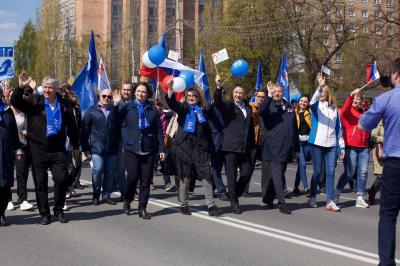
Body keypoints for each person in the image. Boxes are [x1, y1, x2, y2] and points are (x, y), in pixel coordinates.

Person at [11, 73, 79, 225]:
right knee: (40, 183)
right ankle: (44, 213)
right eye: (45, 87)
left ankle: (58, 209)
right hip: (38, 149)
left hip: (57, 149)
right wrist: (21, 86)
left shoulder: (64, 104)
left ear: (56, 89)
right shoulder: (35, 101)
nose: (47, 90)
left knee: (61, 179)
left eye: (51, 87)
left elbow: (73, 127)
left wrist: (75, 146)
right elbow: (15, 101)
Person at [357, 58, 400, 266]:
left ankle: (387, 262)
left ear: (395, 75)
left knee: (389, 215)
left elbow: (363, 126)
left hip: (394, 164)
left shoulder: (386, 99)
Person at [165, 84, 221, 216]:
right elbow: (172, 103)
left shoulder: (205, 111)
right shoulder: (184, 109)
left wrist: (217, 88)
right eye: (189, 96)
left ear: (199, 98)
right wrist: (170, 89)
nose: (191, 98)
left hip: (201, 149)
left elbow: (217, 104)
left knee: (206, 176)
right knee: (186, 177)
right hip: (184, 148)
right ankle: (184, 205)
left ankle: (211, 205)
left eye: (194, 96)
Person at [115, 82, 165, 219]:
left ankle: (142, 207)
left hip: (148, 149)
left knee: (146, 180)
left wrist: (162, 148)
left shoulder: (152, 110)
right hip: (131, 147)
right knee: (132, 177)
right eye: (138, 91)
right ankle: (127, 199)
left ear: (147, 94)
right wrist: (115, 106)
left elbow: (158, 131)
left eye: (143, 92)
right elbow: (115, 122)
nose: (140, 94)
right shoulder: (127, 107)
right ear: (134, 93)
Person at [214, 75, 255, 214]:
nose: (238, 95)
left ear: (244, 95)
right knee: (231, 177)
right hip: (230, 147)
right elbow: (218, 102)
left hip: (245, 148)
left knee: (247, 173)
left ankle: (234, 193)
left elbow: (250, 129)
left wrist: (253, 146)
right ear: (233, 94)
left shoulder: (248, 108)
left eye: (240, 93)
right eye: (236, 92)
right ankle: (234, 202)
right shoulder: (228, 106)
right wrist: (218, 87)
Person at [259, 83, 298, 214]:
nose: (277, 93)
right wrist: (268, 96)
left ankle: (268, 198)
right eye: (275, 91)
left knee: (279, 174)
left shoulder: (289, 107)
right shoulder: (268, 105)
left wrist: (295, 149)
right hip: (273, 147)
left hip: (286, 148)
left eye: (279, 91)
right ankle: (282, 202)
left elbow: (294, 129)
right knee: (277, 176)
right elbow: (262, 111)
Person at [308, 73, 345, 211]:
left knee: (330, 172)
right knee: (317, 172)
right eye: (321, 91)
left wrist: (341, 146)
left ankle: (330, 201)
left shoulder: (335, 109)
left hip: (331, 145)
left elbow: (338, 129)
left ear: (328, 93)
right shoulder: (316, 106)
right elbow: (312, 101)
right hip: (317, 143)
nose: (322, 93)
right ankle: (312, 196)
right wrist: (320, 85)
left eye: (324, 90)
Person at [81, 89, 119, 206]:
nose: (106, 98)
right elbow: (84, 130)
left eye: (109, 97)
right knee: (98, 170)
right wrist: (85, 148)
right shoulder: (92, 110)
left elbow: (120, 128)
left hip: (112, 147)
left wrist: (117, 106)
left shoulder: (115, 110)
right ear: (99, 97)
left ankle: (106, 195)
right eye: (104, 96)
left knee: (109, 172)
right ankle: (96, 193)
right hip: (97, 147)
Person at [335, 88, 370, 208]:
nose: (355, 100)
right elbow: (344, 109)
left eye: (357, 99)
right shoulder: (347, 112)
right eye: (354, 98)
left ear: (361, 101)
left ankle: (359, 197)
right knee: (350, 173)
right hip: (351, 147)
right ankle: (337, 192)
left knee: (363, 172)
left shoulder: (365, 113)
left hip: (364, 147)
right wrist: (350, 95)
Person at [9, 88, 34, 211]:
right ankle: (8, 199)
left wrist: (27, 132)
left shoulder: (24, 112)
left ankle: (22, 198)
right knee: (7, 174)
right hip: (8, 147)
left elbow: (29, 128)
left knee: (22, 173)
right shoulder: (6, 112)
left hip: (22, 146)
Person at [0, 87, 21, 226]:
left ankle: (1, 213)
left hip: (5, 153)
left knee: (4, 185)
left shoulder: (7, 111)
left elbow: (14, 132)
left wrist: (18, 150)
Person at [243, 89, 266, 197]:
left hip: (265, 142)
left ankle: (267, 191)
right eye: (259, 97)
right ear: (256, 97)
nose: (261, 99)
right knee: (249, 167)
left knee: (268, 168)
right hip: (254, 141)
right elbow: (251, 112)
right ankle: (244, 189)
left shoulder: (267, 108)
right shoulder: (252, 106)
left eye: (263, 97)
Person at [292, 94, 312, 196]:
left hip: (308, 142)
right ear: (298, 102)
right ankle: (306, 187)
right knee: (303, 164)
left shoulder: (310, 113)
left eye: (305, 101)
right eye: (301, 101)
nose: (303, 103)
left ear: (308, 103)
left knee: (301, 166)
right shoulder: (293, 112)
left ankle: (295, 187)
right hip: (298, 142)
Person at [155, 100, 176, 192]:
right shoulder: (151, 114)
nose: (157, 106)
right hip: (152, 140)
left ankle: (167, 183)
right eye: (155, 105)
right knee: (152, 163)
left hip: (163, 140)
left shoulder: (166, 115)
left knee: (164, 161)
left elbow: (175, 111)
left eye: (159, 105)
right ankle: (150, 182)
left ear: (162, 107)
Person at [368, 121, 384, 205]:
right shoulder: (379, 123)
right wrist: (385, 138)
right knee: (381, 176)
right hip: (380, 151)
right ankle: (372, 191)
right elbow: (373, 137)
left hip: (393, 151)